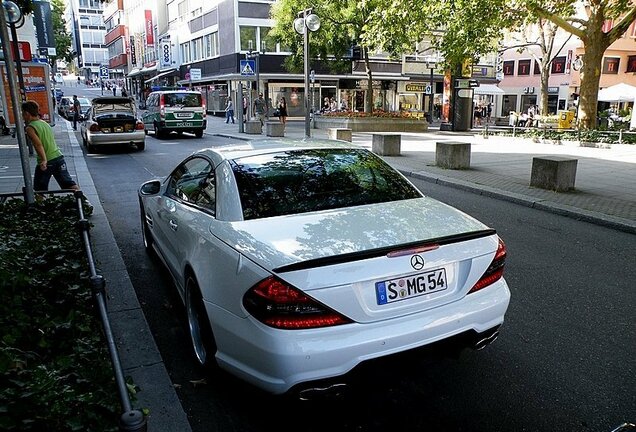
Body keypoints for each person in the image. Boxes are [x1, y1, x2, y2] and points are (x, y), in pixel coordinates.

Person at [21, 101, 79, 192]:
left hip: (47, 160)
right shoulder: (44, 123)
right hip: (58, 157)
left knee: (39, 189)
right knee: (68, 184)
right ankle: (83, 201)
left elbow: (38, 144)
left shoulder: (30, 128)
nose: (22, 115)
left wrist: (44, 160)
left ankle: (39, 206)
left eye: (22, 113)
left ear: (27, 113)